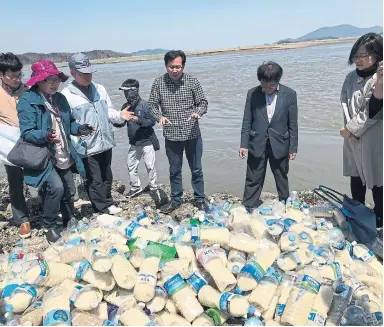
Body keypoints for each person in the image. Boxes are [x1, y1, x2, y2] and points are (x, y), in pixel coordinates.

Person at [17, 60, 92, 242]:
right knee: (56, 188)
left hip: (63, 152)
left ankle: (68, 219)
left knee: (68, 188)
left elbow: (69, 123)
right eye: (48, 80)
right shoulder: (28, 100)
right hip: (44, 155)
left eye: (56, 79)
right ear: (38, 81)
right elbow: (27, 132)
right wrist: (45, 135)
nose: (54, 83)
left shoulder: (60, 99)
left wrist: (79, 128)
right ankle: (49, 225)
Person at [61, 53, 133, 215]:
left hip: (106, 141)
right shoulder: (67, 95)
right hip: (86, 145)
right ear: (72, 73)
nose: (87, 76)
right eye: (83, 74)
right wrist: (79, 130)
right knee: (94, 179)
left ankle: (108, 201)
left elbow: (109, 111)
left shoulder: (100, 88)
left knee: (107, 174)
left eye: (89, 73)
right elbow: (68, 123)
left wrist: (120, 116)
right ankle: (100, 209)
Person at [148, 50, 209, 214]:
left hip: (192, 133)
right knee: (174, 170)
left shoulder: (192, 81)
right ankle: (176, 199)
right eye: (171, 67)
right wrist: (158, 116)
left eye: (178, 67)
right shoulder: (158, 83)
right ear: (166, 66)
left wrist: (198, 112)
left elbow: (203, 102)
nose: (175, 70)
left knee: (196, 169)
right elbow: (152, 105)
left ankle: (200, 199)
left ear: (183, 66)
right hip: (171, 135)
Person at [240, 61, 298, 211]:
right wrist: (243, 144)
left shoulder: (290, 94)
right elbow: (247, 120)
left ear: (278, 81)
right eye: (263, 85)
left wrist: (293, 147)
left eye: (271, 86)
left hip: (280, 142)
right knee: (253, 176)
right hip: (257, 141)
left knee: (281, 175)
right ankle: (249, 204)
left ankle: (285, 203)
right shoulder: (252, 93)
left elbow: (293, 124)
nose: (266, 89)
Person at [340, 33, 383, 228]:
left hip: (375, 140)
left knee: (378, 180)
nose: (358, 60)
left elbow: (373, 109)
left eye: (363, 55)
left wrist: (351, 129)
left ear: (377, 55)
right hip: (352, 140)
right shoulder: (350, 78)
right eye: (356, 55)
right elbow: (344, 104)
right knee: (356, 179)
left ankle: (380, 222)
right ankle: (358, 216)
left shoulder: (379, 78)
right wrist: (349, 130)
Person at [0, 53, 30, 238]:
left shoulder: (27, 90)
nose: (16, 79)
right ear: (1, 75)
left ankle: (50, 208)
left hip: (31, 141)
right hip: (9, 145)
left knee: (42, 175)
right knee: (15, 182)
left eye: (19, 75)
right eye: (12, 76)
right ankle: (22, 219)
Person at [117, 78, 159, 197]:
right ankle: (135, 187)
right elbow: (120, 123)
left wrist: (138, 120)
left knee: (150, 166)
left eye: (127, 91)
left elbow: (152, 122)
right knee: (131, 165)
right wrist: (117, 118)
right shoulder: (125, 106)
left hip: (147, 142)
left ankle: (153, 187)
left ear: (134, 91)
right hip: (134, 143)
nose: (125, 94)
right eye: (124, 91)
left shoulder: (145, 105)